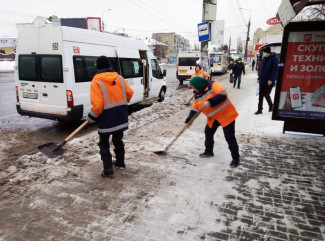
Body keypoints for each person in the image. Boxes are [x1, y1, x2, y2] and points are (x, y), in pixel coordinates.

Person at [87, 56, 134, 178]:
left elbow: (97, 106)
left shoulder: (96, 82)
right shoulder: (119, 78)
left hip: (106, 119)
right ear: (109, 66)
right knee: (118, 140)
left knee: (104, 143)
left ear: (98, 67)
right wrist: (122, 103)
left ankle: (108, 170)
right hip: (120, 115)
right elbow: (130, 93)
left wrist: (91, 117)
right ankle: (120, 162)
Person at [185, 76, 240, 168]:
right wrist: (190, 118)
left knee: (229, 137)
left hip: (226, 115)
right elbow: (195, 108)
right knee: (208, 132)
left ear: (198, 85)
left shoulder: (213, 85)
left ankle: (236, 158)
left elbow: (223, 94)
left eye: (193, 87)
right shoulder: (197, 95)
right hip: (214, 118)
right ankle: (209, 151)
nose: (192, 89)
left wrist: (210, 102)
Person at [255, 46, 279, 115]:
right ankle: (259, 109)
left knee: (266, 94)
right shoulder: (264, 58)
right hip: (262, 79)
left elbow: (275, 71)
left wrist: (271, 79)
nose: (263, 54)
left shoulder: (274, 59)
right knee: (260, 95)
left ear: (268, 52)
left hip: (269, 80)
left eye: (264, 52)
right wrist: (259, 78)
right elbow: (262, 69)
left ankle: (271, 105)